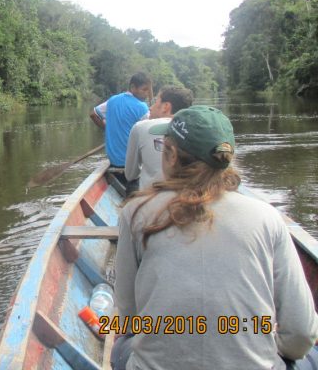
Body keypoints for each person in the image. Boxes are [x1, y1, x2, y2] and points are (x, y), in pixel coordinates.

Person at [111, 106, 318, 370]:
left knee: (122, 346)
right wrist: (267, 343)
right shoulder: (268, 218)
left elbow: (128, 315)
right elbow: (301, 334)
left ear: (171, 155)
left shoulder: (136, 213)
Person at [124, 85, 193, 190]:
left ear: (166, 107)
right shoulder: (194, 131)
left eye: (156, 101)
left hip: (148, 199)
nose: (150, 107)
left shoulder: (140, 127)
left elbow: (130, 175)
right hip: (184, 197)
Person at [89, 72, 152, 168]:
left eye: (148, 90)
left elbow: (93, 114)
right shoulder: (142, 107)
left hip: (113, 160)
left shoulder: (112, 100)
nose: (147, 94)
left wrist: (108, 129)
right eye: (144, 90)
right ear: (133, 87)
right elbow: (149, 135)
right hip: (131, 163)